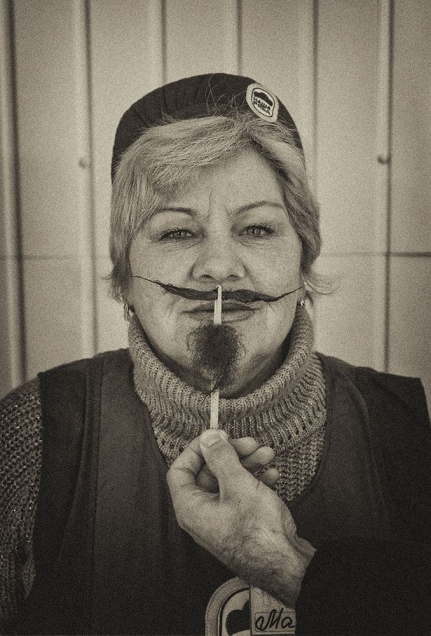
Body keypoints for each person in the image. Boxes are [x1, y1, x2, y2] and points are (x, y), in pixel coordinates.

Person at [0, 73, 430, 636]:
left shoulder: (405, 431)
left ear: (303, 262)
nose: (220, 267)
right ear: (125, 276)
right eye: (177, 233)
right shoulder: (33, 437)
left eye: (257, 228)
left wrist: (288, 565)